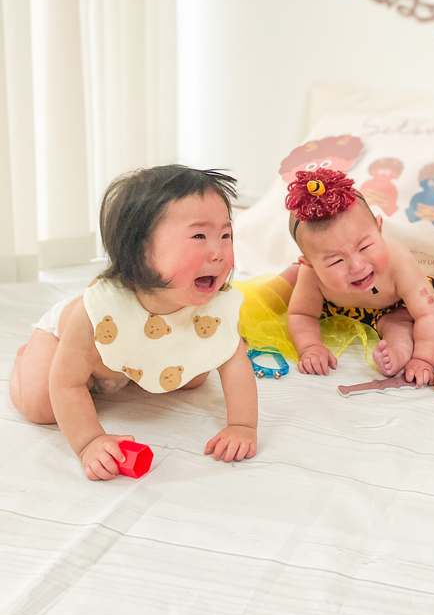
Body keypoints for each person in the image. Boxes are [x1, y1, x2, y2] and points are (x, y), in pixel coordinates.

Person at [9, 165, 258, 480]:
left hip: (137, 354)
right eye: (199, 236)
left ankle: (137, 368)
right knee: (42, 406)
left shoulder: (216, 306)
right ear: (140, 249)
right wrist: (90, 442)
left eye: (225, 235)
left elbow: (234, 363)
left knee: (193, 378)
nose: (219, 252)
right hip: (69, 345)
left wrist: (242, 426)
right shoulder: (96, 312)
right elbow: (66, 383)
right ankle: (28, 357)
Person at [284, 168, 434, 388]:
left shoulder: (399, 263)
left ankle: (396, 354)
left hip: (393, 309)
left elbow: (427, 313)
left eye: (365, 247)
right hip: (336, 307)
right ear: (310, 265)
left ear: (379, 228)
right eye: (336, 261)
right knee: (291, 281)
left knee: (399, 325)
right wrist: (310, 347)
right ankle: (281, 280)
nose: (357, 266)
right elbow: (301, 313)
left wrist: (424, 359)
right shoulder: (310, 274)